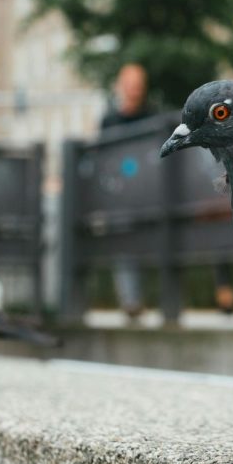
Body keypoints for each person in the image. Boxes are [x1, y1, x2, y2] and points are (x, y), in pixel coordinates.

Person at [101, 63, 156, 321]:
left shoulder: (153, 118)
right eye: (130, 84)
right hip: (120, 196)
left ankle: (151, 299)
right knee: (123, 245)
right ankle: (131, 300)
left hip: (148, 192)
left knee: (150, 244)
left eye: (138, 85)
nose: (134, 90)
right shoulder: (109, 121)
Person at [100, 63, 154, 132]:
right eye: (130, 86)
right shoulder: (109, 122)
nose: (134, 92)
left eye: (137, 86)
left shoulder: (154, 119)